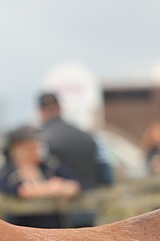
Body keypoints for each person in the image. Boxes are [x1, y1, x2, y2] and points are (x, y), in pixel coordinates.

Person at [38, 92, 111, 226]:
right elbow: (106, 175)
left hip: (56, 217)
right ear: (60, 108)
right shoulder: (89, 137)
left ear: (41, 111)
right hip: (90, 210)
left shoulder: (41, 141)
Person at [0, 125, 81, 228]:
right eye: (32, 146)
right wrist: (50, 188)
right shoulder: (3, 173)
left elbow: (74, 184)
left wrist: (65, 188)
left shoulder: (50, 166)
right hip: (21, 233)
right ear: (18, 149)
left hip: (55, 231)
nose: (37, 149)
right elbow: (19, 190)